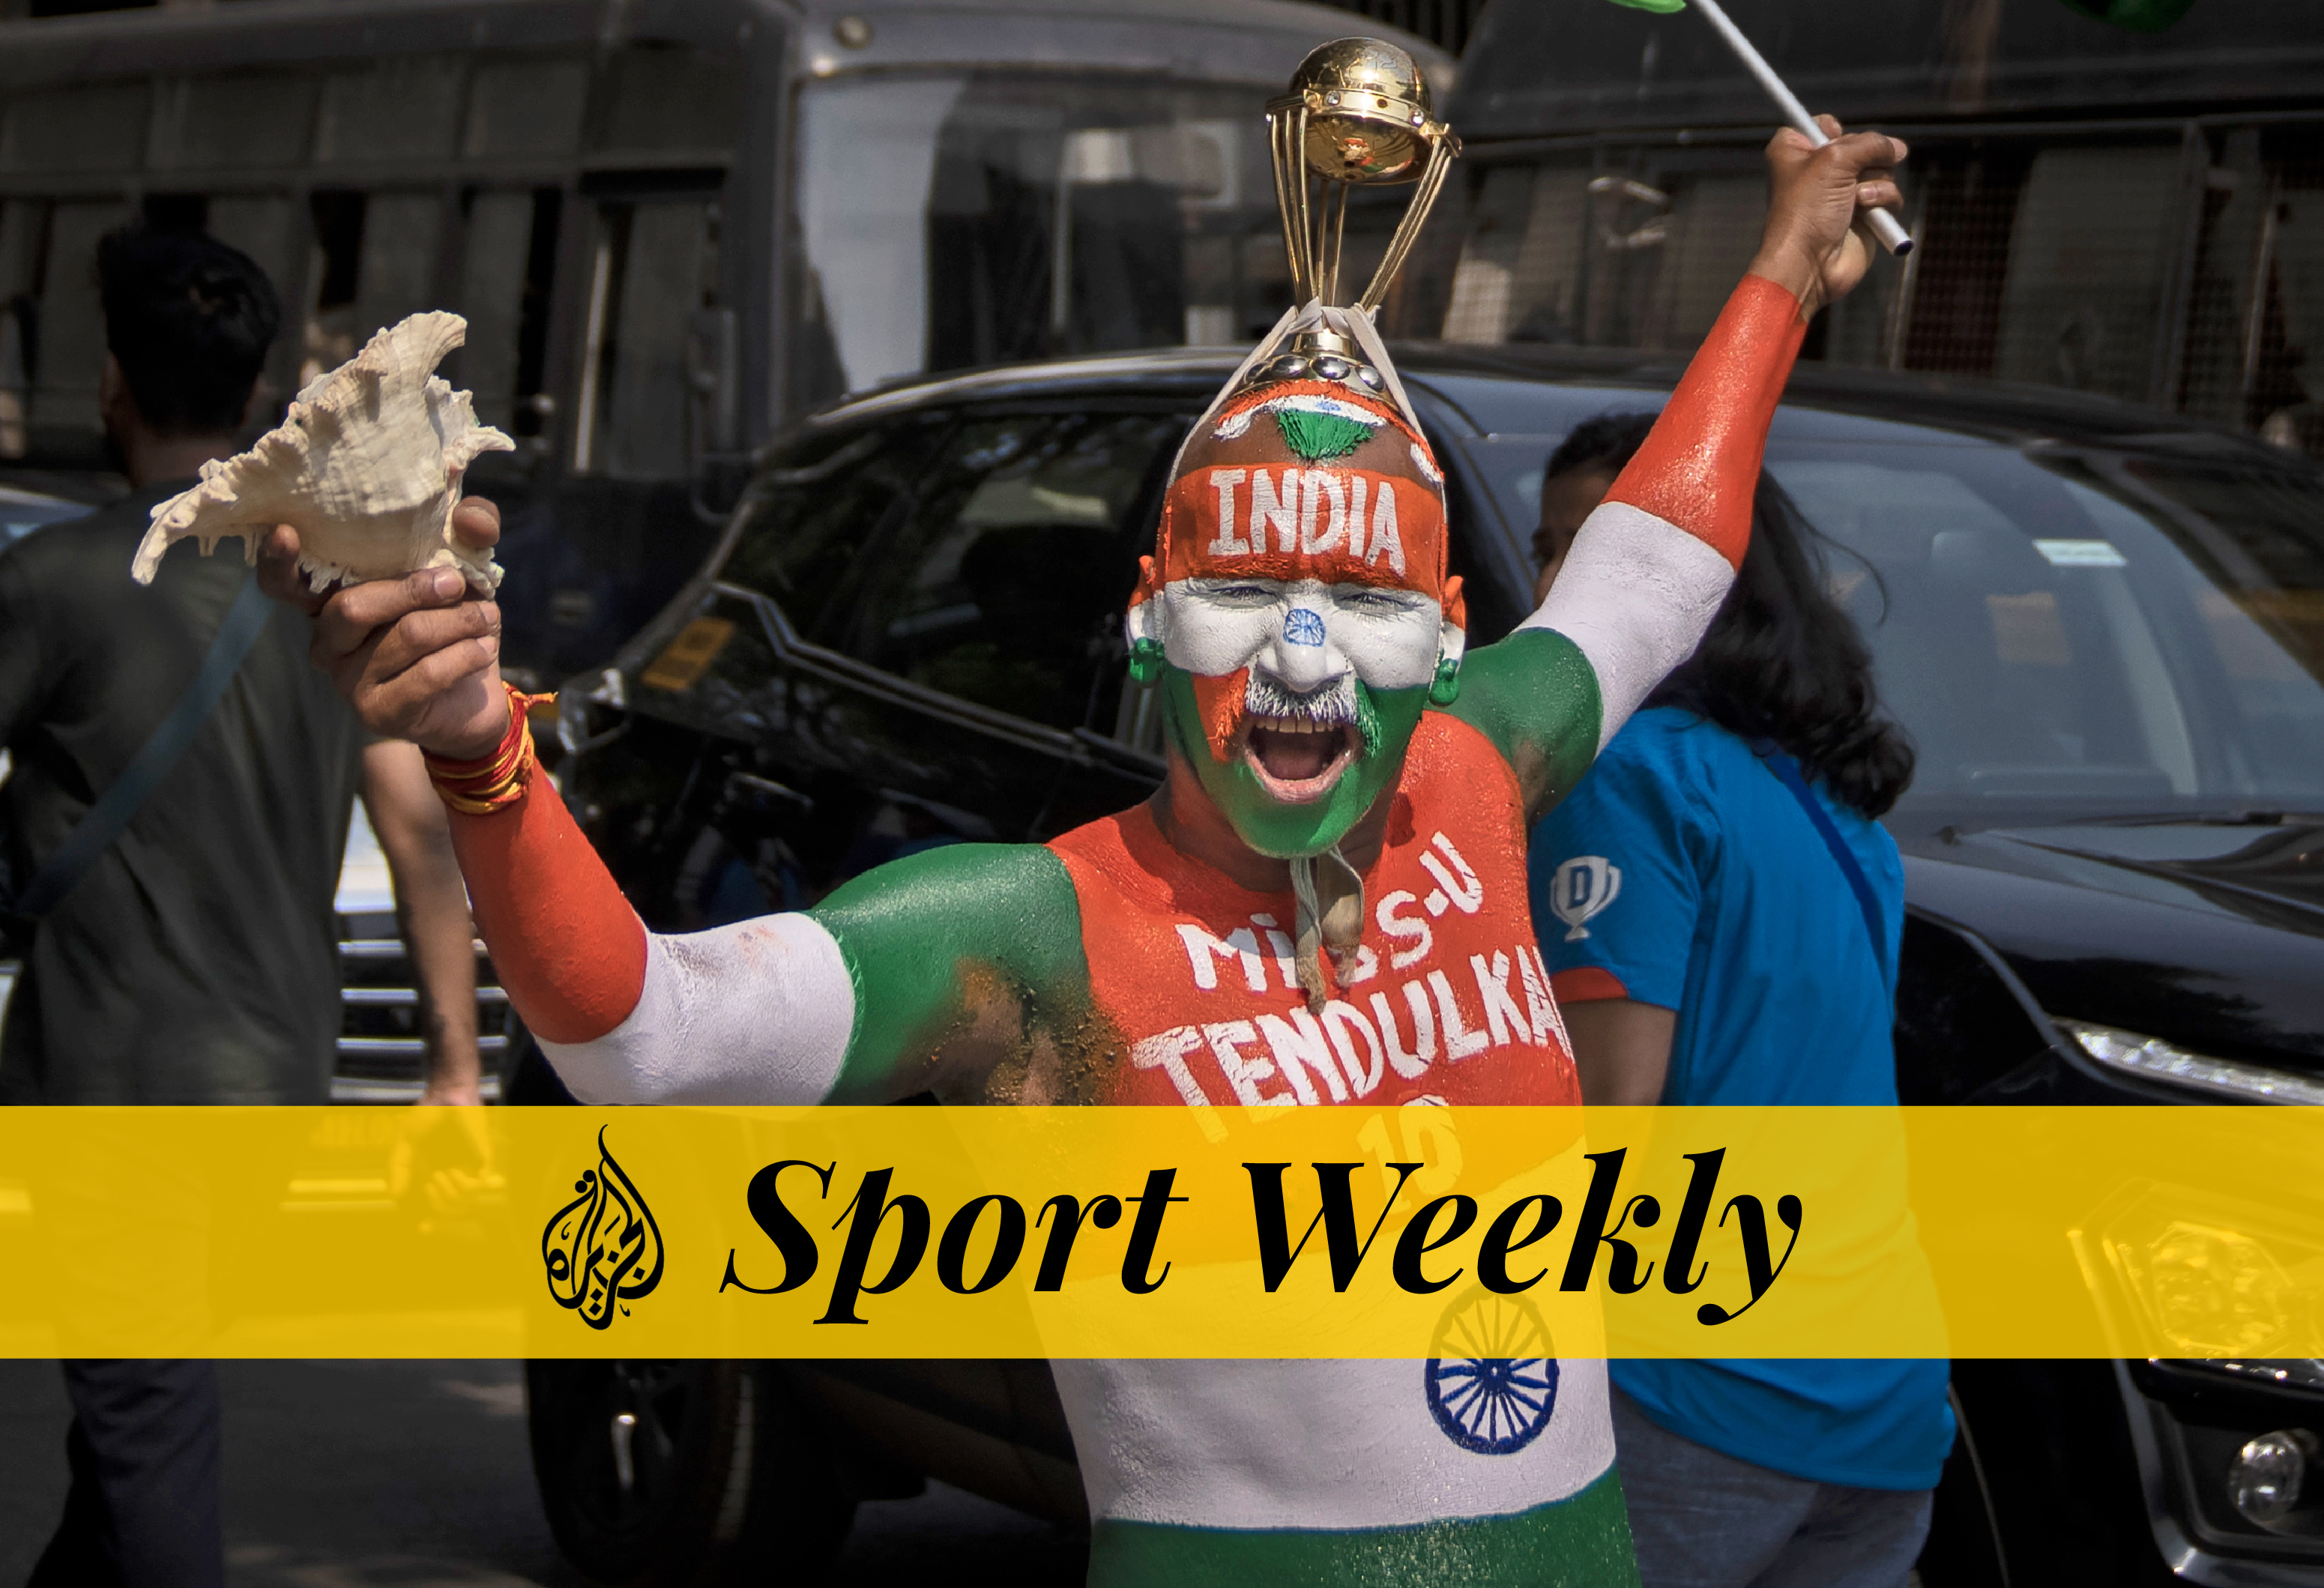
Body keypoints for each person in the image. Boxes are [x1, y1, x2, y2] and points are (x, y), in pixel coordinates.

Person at [271, 119, 1907, 1586]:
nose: (1304, 664)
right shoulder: (1033, 934)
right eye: (1249, 597)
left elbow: (1652, 570)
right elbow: (643, 1037)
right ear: (1147, 621)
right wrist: (485, 753)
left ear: (1450, 638)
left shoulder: (1470, 785)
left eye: (1365, 609)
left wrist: (1779, 267)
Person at [0, 225, 483, 1586]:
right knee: (130, 1424)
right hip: (279, 1079)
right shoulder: (323, 583)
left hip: (115, 1093)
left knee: (147, 1429)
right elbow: (417, 835)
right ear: (259, 391)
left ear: (112, 383)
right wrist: (456, 1071)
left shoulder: (58, 578)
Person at [1525, 411, 1953, 1586]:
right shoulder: (1834, 808)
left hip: (1694, 1393)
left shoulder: (1626, 774)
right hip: (1884, 1403)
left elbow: (1607, 1112)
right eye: (1546, 547)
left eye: (1594, 551)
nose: (1554, 584)